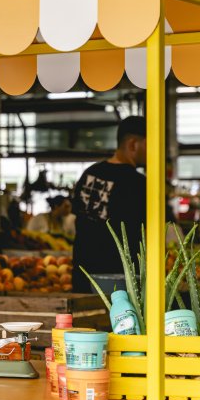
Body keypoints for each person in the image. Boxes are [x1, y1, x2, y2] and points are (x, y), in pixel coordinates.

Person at [72, 116, 147, 292]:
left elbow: (80, 220)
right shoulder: (138, 184)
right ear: (133, 144)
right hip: (121, 283)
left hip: (84, 278)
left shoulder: (89, 174)